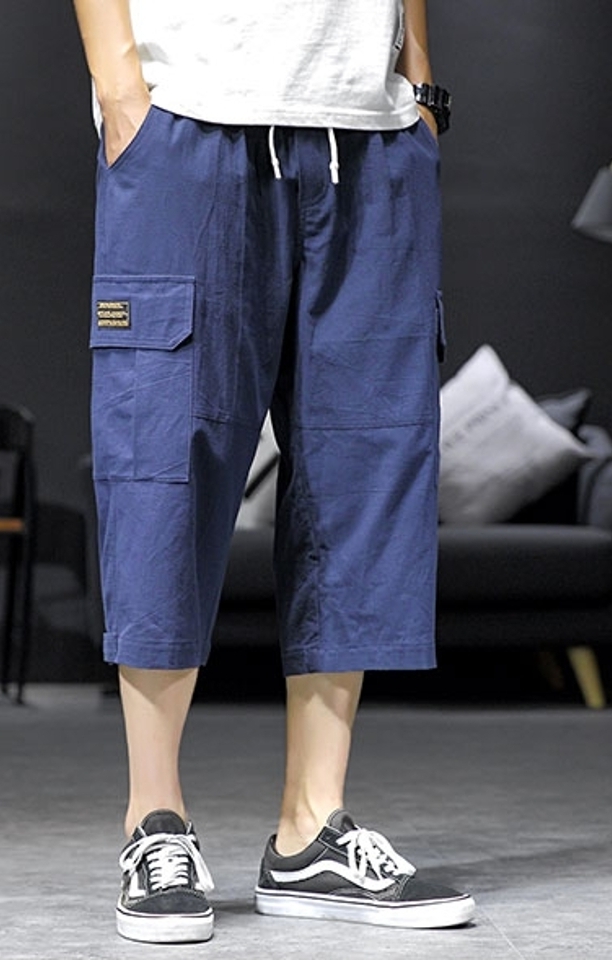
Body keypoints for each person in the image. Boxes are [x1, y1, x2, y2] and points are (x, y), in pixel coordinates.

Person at [73, 0, 474, 944]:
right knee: (166, 459)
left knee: (364, 465)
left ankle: (311, 829)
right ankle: (154, 820)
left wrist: (416, 81)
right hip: (188, 122)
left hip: (370, 134)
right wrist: (120, 86)